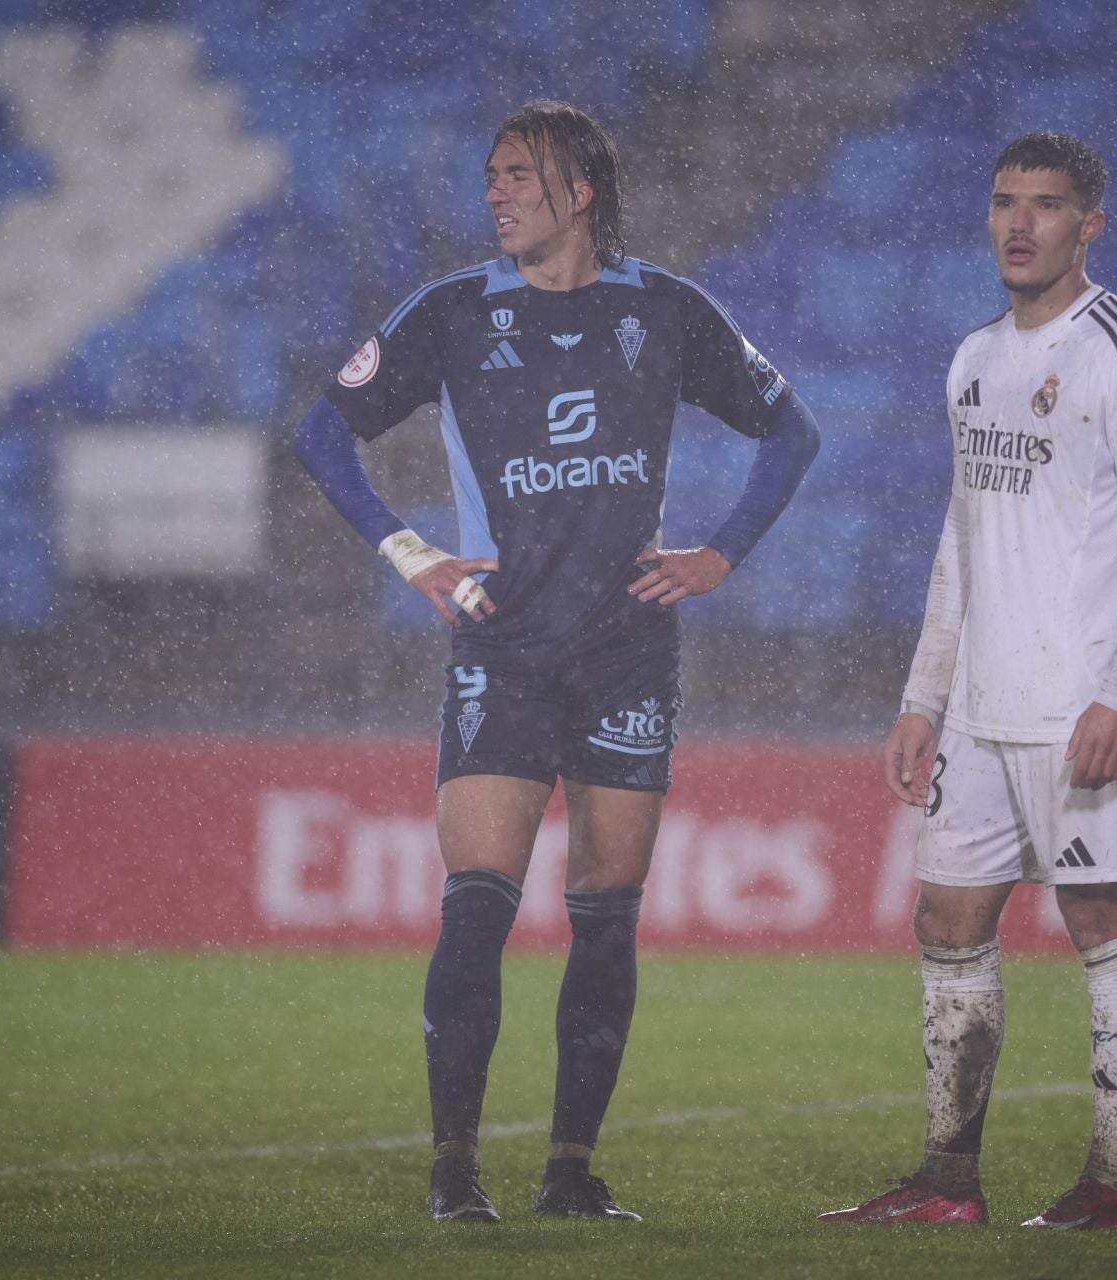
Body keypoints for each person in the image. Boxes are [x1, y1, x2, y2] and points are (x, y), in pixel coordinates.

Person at [291, 100, 819, 1224]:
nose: (497, 193)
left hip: (629, 650)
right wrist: (412, 551)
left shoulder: (665, 311)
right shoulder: (448, 315)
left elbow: (793, 431)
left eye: (520, 175)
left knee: (606, 910)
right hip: (505, 647)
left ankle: (571, 1168)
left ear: (580, 191)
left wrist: (721, 553)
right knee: (477, 906)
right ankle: (452, 1172)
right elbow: (320, 430)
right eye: (492, 174)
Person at [820, 132, 1117, 1231]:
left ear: (1091, 222)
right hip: (983, 708)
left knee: (1102, 916)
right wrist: (922, 696)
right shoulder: (975, 356)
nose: (1019, 223)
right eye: (1003, 202)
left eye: (1046, 204)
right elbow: (960, 536)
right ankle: (948, 1180)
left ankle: (1109, 1184)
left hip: (1085, 700)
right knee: (945, 914)